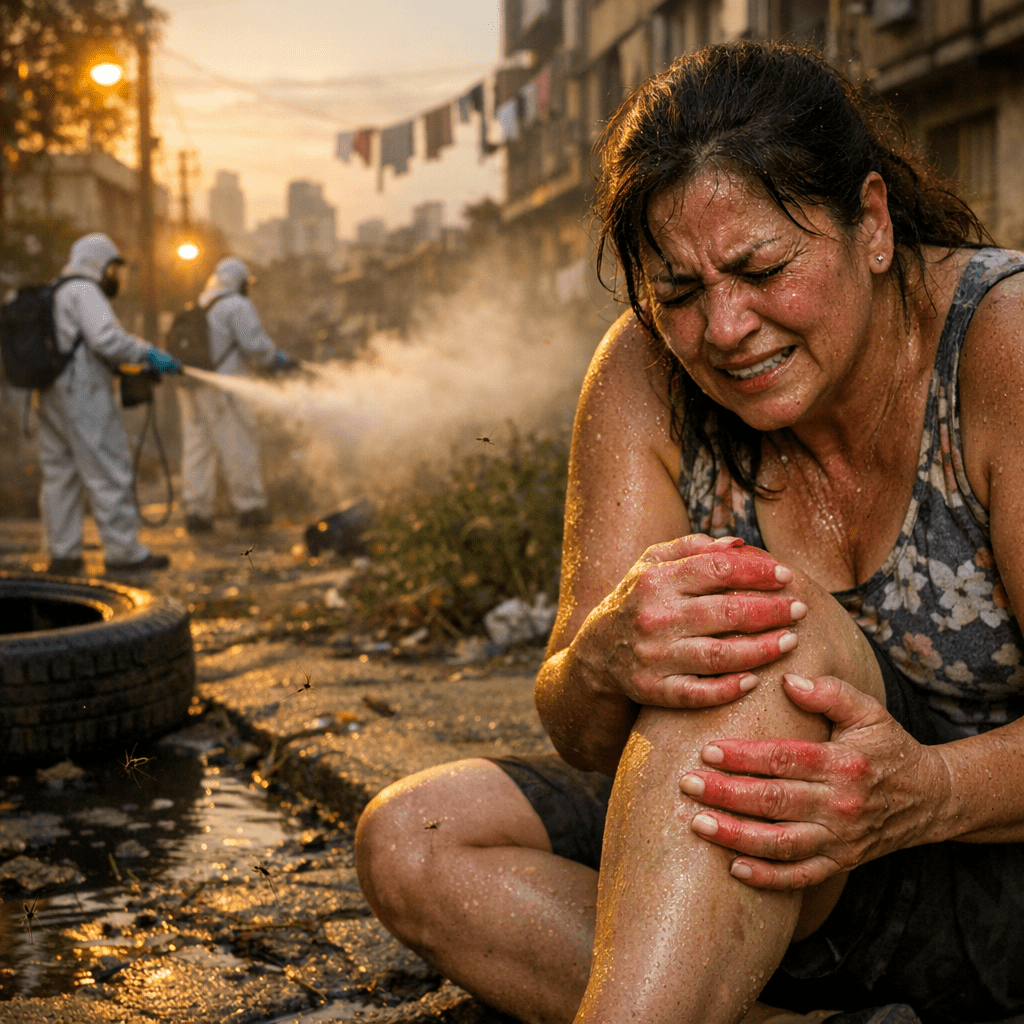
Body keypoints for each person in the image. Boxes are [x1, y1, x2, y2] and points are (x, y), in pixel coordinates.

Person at [354, 41, 1024, 1024]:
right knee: (413, 836)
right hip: (759, 865)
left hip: (983, 869)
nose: (724, 328)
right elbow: (576, 728)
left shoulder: (1001, 346)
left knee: (756, 633)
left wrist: (921, 790)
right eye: (678, 292)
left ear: (871, 223)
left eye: (761, 268)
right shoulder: (643, 373)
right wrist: (601, 655)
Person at [38, 232, 180, 576]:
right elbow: (106, 339)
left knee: (60, 475)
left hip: (50, 392)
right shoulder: (85, 291)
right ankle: (124, 554)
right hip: (83, 391)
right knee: (109, 470)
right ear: (100, 264)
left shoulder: (55, 290)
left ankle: (64, 555)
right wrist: (145, 352)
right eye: (113, 268)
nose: (115, 277)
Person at [177, 256, 295, 534]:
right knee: (238, 443)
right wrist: (276, 359)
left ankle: (197, 513)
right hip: (225, 389)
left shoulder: (200, 303)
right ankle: (250, 507)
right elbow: (255, 345)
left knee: (197, 450)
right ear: (240, 283)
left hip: (193, 389)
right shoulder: (237, 305)